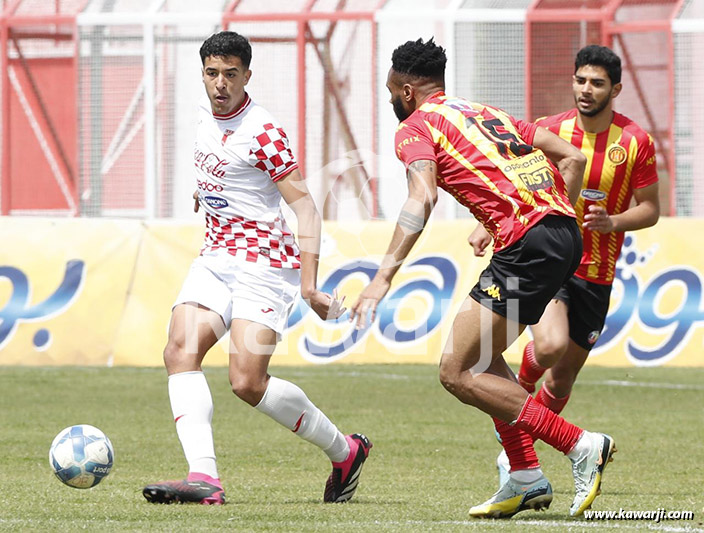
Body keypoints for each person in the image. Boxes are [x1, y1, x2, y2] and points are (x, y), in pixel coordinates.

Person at [349, 37, 615, 519]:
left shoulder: (415, 126)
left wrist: (381, 277)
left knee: (457, 370)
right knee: (486, 363)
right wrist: (547, 215)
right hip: (562, 233)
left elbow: (421, 198)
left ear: (406, 90)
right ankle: (525, 476)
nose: (390, 99)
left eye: (390, 91)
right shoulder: (484, 111)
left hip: (527, 243)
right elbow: (572, 159)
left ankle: (581, 445)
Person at [142, 31, 371, 506]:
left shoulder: (263, 131)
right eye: (211, 73)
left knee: (246, 382)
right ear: (202, 74)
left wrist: (310, 288)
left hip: (265, 266)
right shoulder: (203, 116)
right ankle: (204, 479)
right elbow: (223, 175)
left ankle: (344, 451)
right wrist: (204, 197)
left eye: (230, 74)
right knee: (179, 350)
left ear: (248, 75)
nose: (220, 84)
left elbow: (306, 208)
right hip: (215, 258)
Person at [469, 45, 659, 488]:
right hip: (552, 258)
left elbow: (650, 209)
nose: (586, 90)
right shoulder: (549, 131)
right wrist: (486, 225)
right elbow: (511, 183)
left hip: (598, 272)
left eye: (596, 83)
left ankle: (521, 445)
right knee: (550, 346)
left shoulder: (635, 142)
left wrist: (612, 222)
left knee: (564, 377)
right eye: (580, 80)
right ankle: (520, 398)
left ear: (616, 89)